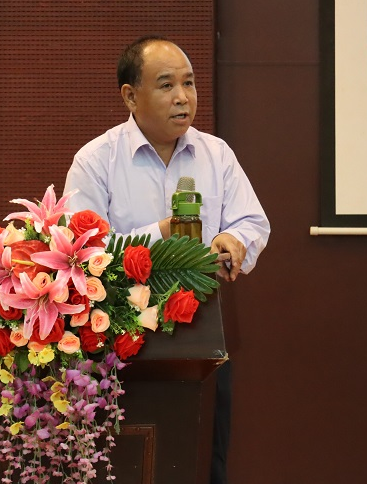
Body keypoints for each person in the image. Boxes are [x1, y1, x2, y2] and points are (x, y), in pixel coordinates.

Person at [63, 35, 270, 483]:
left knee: (204, 459)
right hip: (120, 336)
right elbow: (81, 252)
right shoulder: (96, 161)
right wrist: (163, 233)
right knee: (123, 463)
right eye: (166, 85)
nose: (183, 97)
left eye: (189, 83)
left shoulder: (216, 154)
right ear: (130, 96)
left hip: (201, 333)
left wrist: (234, 239)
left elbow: (253, 222)